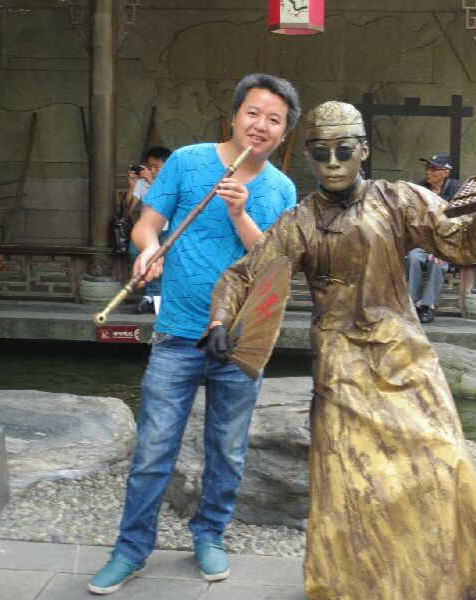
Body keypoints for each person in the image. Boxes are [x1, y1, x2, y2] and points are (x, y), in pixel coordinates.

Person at [203, 101, 476, 600]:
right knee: (350, 476)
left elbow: (458, 243)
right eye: (321, 153)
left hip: (403, 350)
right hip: (340, 359)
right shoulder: (299, 221)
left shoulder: (399, 199)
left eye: (343, 151)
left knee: (444, 455)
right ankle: (353, 585)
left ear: (363, 151)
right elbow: (245, 274)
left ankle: (458, 578)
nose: (332, 163)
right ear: (309, 155)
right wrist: (221, 319)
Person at [88, 73, 301, 595]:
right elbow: (147, 224)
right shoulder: (187, 161)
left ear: (284, 132)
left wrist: (239, 211)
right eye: (254, 113)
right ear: (235, 114)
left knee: (227, 449)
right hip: (178, 332)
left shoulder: (281, 189)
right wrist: (147, 250)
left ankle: (210, 534)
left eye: (274, 120)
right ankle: (131, 549)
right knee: (153, 448)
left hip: (240, 339)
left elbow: (272, 266)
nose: (261, 125)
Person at [407, 152, 462, 323]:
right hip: (423, 242)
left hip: (447, 243)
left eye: (433, 169)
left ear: (446, 172)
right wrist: (428, 246)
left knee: (438, 263)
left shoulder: (456, 189)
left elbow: (460, 222)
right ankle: (412, 302)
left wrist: (440, 249)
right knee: (413, 257)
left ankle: (427, 305)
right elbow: (414, 221)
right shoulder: (419, 188)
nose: (428, 172)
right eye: (427, 168)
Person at [124, 145, 172, 314]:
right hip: (146, 230)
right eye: (149, 167)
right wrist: (132, 185)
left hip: (168, 229)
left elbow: (167, 201)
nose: (152, 171)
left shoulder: (171, 182)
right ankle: (153, 296)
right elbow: (128, 208)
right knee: (133, 252)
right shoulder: (142, 182)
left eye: (156, 167)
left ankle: (151, 296)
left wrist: (152, 181)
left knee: (159, 258)